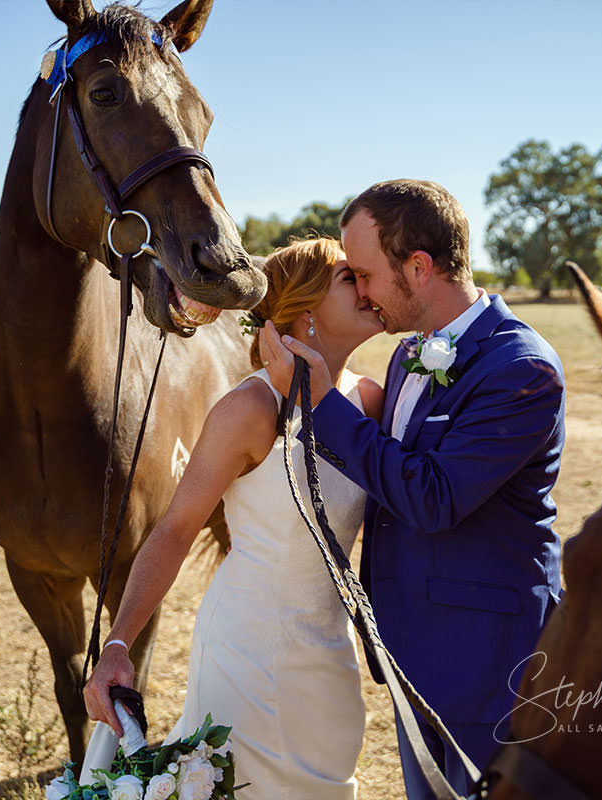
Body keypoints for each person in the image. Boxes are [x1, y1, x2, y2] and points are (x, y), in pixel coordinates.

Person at [260, 179, 565, 799]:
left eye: (365, 274)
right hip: (412, 654)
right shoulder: (407, 356)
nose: (361, 291)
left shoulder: (520, 368)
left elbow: (434, 497)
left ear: (419, 267)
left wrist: (322, 402)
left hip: (491, 663)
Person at [83, 237, 385, 799]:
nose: (370, 288)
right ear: (306, 309)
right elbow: (174, 529)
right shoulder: (249, 410)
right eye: (352, 279)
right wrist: (119, 642)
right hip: (247, 651)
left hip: (329, 649)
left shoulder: (368, 400)